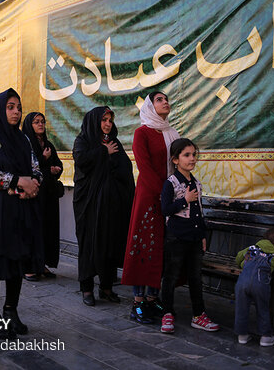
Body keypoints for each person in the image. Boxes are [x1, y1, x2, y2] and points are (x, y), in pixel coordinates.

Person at [0, 88, 43, 340]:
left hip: (21, 206)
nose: (16, 112)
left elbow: (36, 167)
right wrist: (16, 182)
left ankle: (11, 312)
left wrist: (33, 185)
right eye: (10, 107)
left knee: (17, 258)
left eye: (18, 107)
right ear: (0, 109)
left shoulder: (23, 139)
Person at [121, 91, 179, 323]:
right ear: (150, 106)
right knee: (143, 244)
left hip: (169, 197)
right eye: (159, 100)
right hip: (149, 196)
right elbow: (144, 167)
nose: (165, 102)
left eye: (166, 99)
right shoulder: (141, 133)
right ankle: (137, 302)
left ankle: (153, 299)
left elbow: (178, 165)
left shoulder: (172, 133)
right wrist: (164, 193)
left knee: (161, 246)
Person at [73, 106, 134, 306]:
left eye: (110, 120)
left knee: (109, 243)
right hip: (89, 205)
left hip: (110, 206)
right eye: (104, 120)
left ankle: (106, 288)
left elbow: (125, 168)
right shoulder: (83, 141)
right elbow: (82, 162)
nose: (108, 124)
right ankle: (87, 288)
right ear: (94, 121)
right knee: (89, 243)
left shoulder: (114, 142)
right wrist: (103, 152)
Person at [159, 138, 219, 334]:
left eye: (194, 154)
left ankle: (199, 315)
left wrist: (202, 235)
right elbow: (165, 209)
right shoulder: (171, 183)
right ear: (175, 160)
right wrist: (184, 200)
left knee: (195, 277)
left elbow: (199, 212)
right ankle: (167, 313)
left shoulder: (196, 183)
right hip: (176, 238)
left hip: (194, 238)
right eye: (187, 155)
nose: (192, 158)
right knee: (171, 276)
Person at [234, 228, 274, 347]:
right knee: (263, 309)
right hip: (260, 285)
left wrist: (242, 264)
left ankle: (242, 336)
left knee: (241, 309)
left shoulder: (252, 249)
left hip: (242, 283)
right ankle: (266, 337)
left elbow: (239, 258)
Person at [22, 112, 63, 281]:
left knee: (47, 230)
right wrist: (45, 161)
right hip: (33, 195)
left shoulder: (48, 144)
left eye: (42, 122)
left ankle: (43, 264)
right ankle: (29, 267)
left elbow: (58, 164)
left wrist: (55, 169)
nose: (40, 125)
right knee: (33, 230)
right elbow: (26, 169)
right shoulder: (25, 144)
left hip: (49, 195)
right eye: (36, 122)